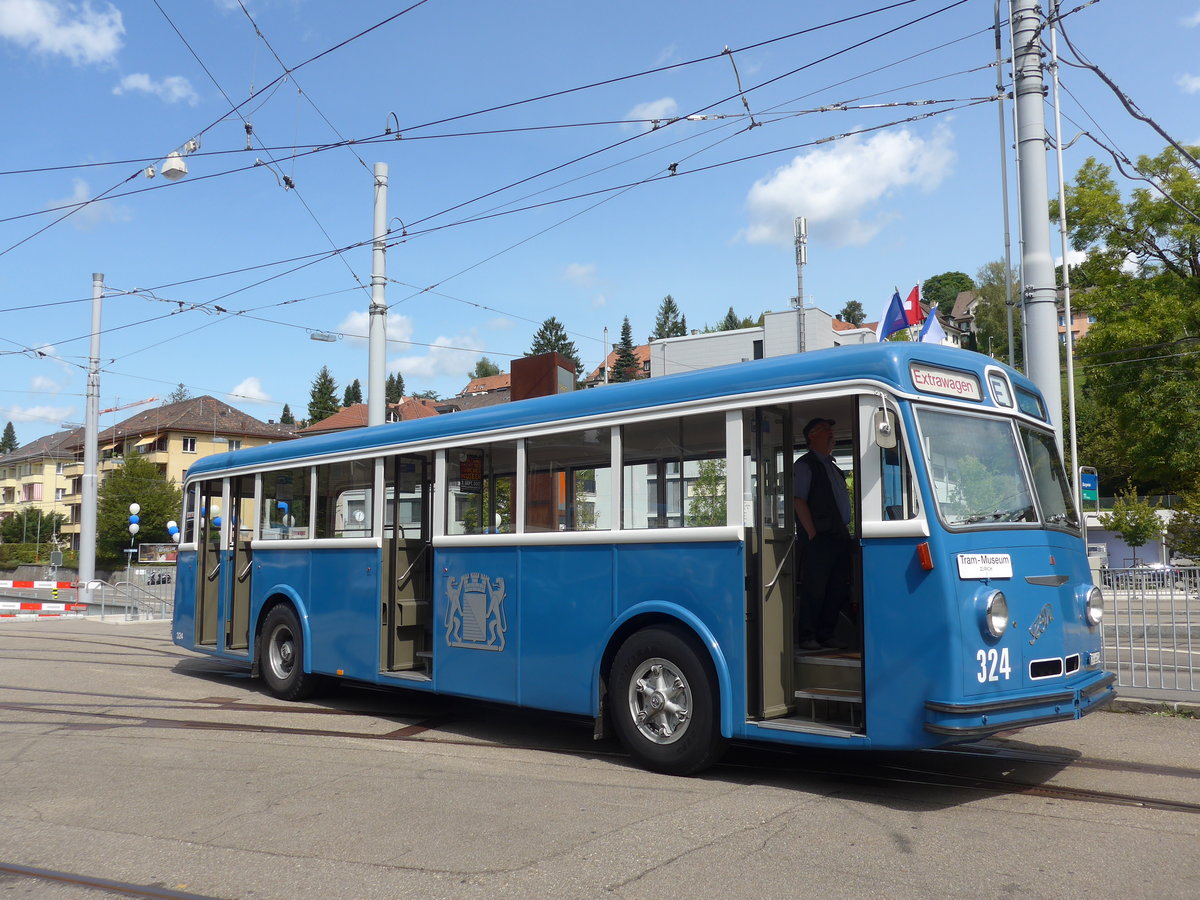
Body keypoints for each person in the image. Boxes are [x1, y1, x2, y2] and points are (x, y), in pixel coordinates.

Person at [793, 417, 852, 651]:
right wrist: (812, 533)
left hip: (838, 536)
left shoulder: (834, 466)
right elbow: (799, 500)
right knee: (814, 588)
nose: (831, 433)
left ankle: (826, 634)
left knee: (838, 587)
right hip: (821, 537)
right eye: (825, 429)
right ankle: (807, 636)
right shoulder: (805, 465)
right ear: (811, 436)